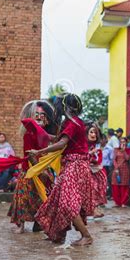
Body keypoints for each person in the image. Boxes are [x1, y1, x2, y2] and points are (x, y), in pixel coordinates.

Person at [31, 94, 94, 246]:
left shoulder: (73, 123)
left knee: (67, 202)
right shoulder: (70, 122)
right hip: (71, 165)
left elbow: (61, 143)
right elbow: (58, 139)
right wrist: (40, 131)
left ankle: (86, 236)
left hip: (76, 165)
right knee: (58, 200)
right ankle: (58, 235)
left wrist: (40, 152)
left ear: (66, 107)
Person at [0, 100, 56, 234]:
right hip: (31, 170)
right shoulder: (29, 134)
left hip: (43, 169)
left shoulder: (45, 134)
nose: (40, 117)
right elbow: (30, 155)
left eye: (43, 115)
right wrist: (40, 170)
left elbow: (56, 141)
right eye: (37, 114)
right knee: (23, 198)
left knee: (42, 198)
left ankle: (38, 223)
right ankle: (21, 225)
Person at [87, 123, 107, 218]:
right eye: (91, 132)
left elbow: (98, 159)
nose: (93, 134)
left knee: (98, 189)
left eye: (95, 132)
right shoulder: (84, 146)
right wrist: (91, 153)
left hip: (96, 170)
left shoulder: (96, 147)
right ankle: (93, 210)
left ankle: (96, 209)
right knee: (92, 189)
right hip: (87, 171)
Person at [112, 137, 130, 207]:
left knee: (124, 186)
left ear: (126, 143)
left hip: (125, 169)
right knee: (115, 185)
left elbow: (127, 158)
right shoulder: (116, 149)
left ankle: (123, 202)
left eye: (124, 142)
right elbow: (114, 160)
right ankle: (117, 202)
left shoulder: (129, 150)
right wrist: (116, 167)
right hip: (117, 169)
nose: (122, 143)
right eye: (121, 142)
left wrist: (124, 151)